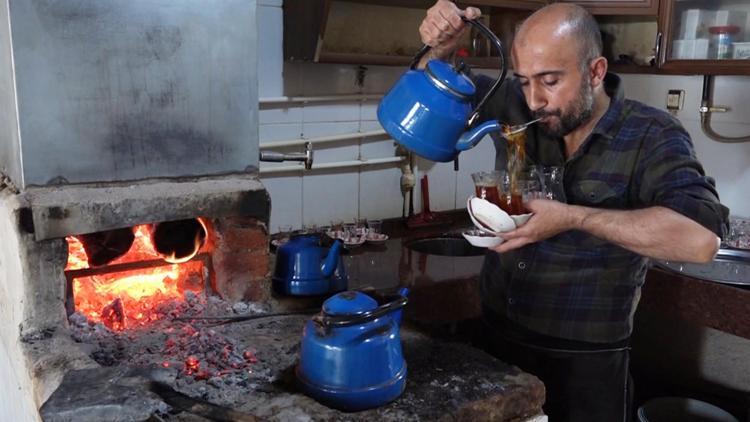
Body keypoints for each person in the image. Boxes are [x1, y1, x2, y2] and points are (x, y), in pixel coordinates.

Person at [418, 2, 729, 421]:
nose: (534, 100)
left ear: (595, 72)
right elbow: (428, 97)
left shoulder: (652, 135)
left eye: (549, 81)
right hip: (494, 344)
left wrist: (573, 217)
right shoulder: (513, 105)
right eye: (525, 81)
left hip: (584, 365)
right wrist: (438, 49)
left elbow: (700, 240)